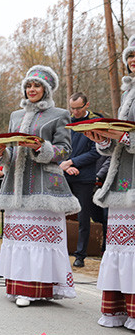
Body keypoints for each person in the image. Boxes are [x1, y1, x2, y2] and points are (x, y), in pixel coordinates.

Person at [0, 65, 79, 308]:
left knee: (40, 241)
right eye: (28, 85)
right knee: (19, 240)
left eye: (37, 85)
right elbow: (11, 151)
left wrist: (41, 147)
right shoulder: (16, 116)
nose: (32, 89)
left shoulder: (59, 114)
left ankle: (41, 289)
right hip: (15, 187)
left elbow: (65, 150)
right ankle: (19, 287)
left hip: (44, 187)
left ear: (46, 90)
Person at [85, 36, 135, 330]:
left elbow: (128, 136)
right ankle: (122, 310)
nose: (133, 61)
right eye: (130, 56)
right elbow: (120, 142)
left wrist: (125, 136)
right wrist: (103, 139)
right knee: (121, 246)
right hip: (122, 180)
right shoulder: (129, 92)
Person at [60, 92, 106, 267]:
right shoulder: (66, 123)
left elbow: (96, 152)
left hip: (84, 177)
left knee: (83, 216)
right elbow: (60, 147)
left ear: (87, 105)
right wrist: (65, 165)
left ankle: (80, 255)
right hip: (64, 174)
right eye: (72, 108)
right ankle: (60, 250)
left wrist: (73, 162)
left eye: (78, 108)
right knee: (59, 214)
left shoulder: (96, 122)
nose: (75, 112)